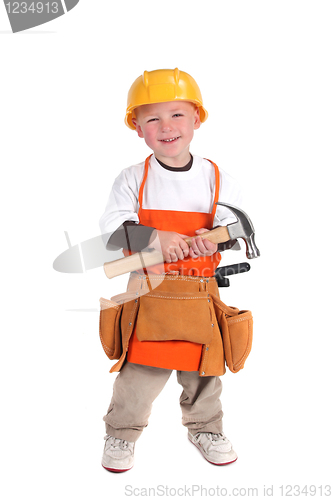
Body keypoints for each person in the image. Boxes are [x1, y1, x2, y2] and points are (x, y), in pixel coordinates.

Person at [99, 68, 244, 472]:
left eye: (177, 114)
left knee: (204, 369)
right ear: (138, 128)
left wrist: (214, 237)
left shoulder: (217, 179)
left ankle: (205, 428)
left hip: (201, 293)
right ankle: (121, 433)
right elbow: (112, 230)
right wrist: (154, 238)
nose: (166, 127)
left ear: (197, 118)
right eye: (152, 119)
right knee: (140, 371)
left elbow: (235, 229)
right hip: (149, 293)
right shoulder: (134, 179)